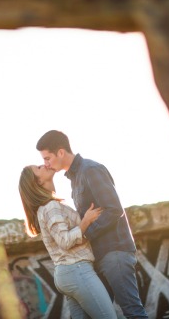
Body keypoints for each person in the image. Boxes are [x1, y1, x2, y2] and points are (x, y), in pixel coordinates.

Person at [36, 130, 148, 319]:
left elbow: (114, 209)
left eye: (47, 158)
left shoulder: (90, 170)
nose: (46, 164)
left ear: (61, 152)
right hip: (99, 258)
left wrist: (86, 233)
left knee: (133, 312)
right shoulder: (75, 178)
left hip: (115, 254)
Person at [19, 164, 118, 319]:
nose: (44, 165)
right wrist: (85, 221)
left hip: (69, 273)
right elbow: (64, 241)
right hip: (77, 270)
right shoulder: (50, 207)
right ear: (36, 182)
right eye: (39, 167)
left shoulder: (47, 207)